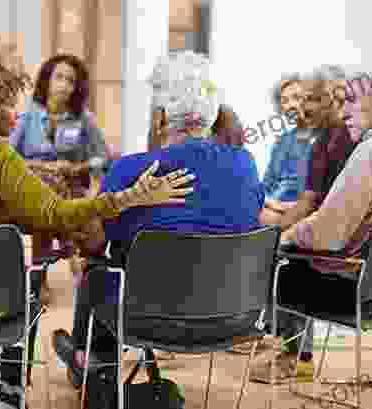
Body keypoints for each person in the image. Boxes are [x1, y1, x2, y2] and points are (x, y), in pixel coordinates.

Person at [0, 41, 194, 409]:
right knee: (22, 290)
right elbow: (55, 214)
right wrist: (131, 198)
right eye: (6, 101)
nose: (16, 112)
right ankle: (8, 396)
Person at [51, 50, 265, 388]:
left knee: (96, 271)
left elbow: (94, 242)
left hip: (147, 319)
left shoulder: (131, 169)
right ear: (211, 116)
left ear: (160, 117)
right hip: (232, 318)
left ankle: (90, 357)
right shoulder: (245, 164)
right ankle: (90, 357)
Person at [250, 65, 360, 383]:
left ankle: (287, 349)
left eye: (309, 98)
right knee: (277, 246)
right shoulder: (341, 139)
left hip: (336, 251)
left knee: (280, 257)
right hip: (347, 247)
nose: (302, 105)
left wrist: (282, 234)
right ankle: (287, 347)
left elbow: (311, 203)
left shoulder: (338, 140)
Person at [9, 54, 109, 305]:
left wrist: (77, 168)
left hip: (68, 189)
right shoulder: (28, 117)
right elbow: (8, 158)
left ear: (77, 87)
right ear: (47, 81)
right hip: (32, 187)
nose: (64, 84)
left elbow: (103, 158)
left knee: (46, 204)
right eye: (59, 77)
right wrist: (45, 166)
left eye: (71, 80)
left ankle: (39, 279)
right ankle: (70, 250)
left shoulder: (84, 119)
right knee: (45, 188)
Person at [260, 73, 314, 225]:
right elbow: (266, 184)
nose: (290, 105)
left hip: (298, 211)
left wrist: (286, 207)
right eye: (284, 101)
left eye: (296, 98)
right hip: (274, 207)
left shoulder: (325, 138)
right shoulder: (282, 141)